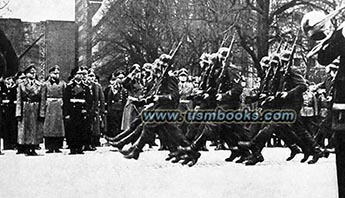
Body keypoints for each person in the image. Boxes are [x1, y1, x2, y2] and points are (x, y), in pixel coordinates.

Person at [16, 64, 44, 156]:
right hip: (25, 107)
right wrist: (18, 113)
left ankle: (34, 147)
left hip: (35, 107)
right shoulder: (21, 85)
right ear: (26, 73)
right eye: (30, 72)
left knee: (35, 128)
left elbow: (42, 99)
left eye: (34, 72)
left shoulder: (39, 84)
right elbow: (19, 99)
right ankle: (27, 148)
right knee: (26, 128)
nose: (33, 74)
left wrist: (42, 112)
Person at [63, 68, 92, 154]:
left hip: (81, 111)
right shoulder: (69, 87)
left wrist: (86, 110)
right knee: (72, 130)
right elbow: (66, 101)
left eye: (81, 74)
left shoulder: (85, 87)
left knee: (81, 129)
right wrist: (66, 113)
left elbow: (89, 100)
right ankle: (72, 148)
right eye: (78, 73)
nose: (80, 75)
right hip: (72, 111)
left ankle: (80, 148)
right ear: (74, 75)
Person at [40, 65, 66, 153]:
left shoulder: (62, 83)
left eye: (58, 73)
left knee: (58, 126)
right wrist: (42, 110)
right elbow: (43, 97)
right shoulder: (45, 84)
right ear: (50, 74)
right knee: (49, 126)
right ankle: (49, 146)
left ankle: (58, 146)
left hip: (59, 106)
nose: (56, 75)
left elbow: (65, 95)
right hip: (49, 106)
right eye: (55, 73)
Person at [104, 71, 127, 139]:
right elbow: (109, 100)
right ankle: (113, 137)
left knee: (120, 124)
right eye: (119, 78)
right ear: (116, 78)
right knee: (114, 124)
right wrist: (108, 109)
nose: (121, 79)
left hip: (121, 108)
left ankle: (119, 138)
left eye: (122, 78)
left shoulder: (124, 88)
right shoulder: (112, 88)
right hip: (113, 108)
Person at [0, 76, 17, 150]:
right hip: (4, 110)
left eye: (10, 79)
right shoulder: (3, 88)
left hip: (11, 110)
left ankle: (12, 144)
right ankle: (6, 145)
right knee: (5, 127)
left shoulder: (13, 88)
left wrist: (10, 101)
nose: (9, 81)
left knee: (12, 127)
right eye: (7, 79)